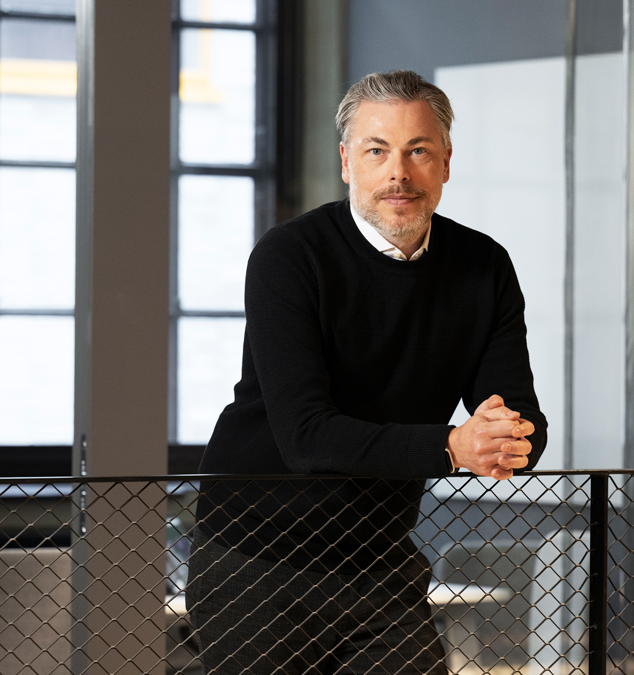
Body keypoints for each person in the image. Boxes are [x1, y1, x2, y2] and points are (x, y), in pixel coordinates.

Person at [186, 70, 548, 675]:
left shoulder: (484, 266)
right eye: (377, 151)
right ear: (347, 162)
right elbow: (307, 436)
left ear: (446, 162)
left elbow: (519, 416)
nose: (398, 173)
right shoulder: (289, 256)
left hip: (379, 558)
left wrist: (507, 439)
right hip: (256, 557)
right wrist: (454, 446)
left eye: (418, 151)